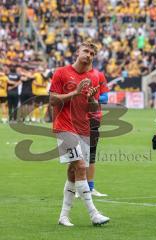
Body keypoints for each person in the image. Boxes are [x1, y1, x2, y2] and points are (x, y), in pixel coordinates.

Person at [49, 41, 110, 227]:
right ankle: (94, 214)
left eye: (92, 53)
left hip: (83, 128)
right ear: (78, 52)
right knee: (82, 166)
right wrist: (75, 93)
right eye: (86, 51)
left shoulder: (94, 77)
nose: (89, 55)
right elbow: (52, 100)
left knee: (73, 171)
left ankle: (63, 216)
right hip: (64, 126)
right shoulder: (61, 72)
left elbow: (92, 106)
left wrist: (91, 97)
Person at [87, 71, 109, 196]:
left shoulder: (99, 75)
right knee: (78, 157)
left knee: (91, 156)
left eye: (92, 53)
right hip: (76, 119)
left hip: (94, 119)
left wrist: (93, 96)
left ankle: (90, 188)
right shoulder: (72, 73)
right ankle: (77, 188)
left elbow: (105, 98)